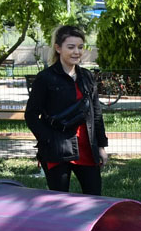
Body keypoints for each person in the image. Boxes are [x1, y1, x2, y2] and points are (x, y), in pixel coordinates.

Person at [25, 26, 109, 195]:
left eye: (80, 47)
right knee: (60, 200)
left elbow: (96, 113)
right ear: (58, 48)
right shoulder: (45, 78)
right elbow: (31, 115)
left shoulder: (87, 77)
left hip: (87, 148)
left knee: (94, 198)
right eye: (70, 47)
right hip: (57, 150)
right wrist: (48, 139)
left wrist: (101, 146)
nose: (76, 52)